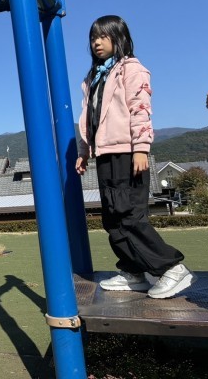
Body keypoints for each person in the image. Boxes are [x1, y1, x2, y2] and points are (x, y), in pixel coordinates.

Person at [75, 15, 195, 299]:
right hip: (105, 153)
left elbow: (140, 108)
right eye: (93, 38)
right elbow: (88, 118)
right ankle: (133, 272)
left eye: (103, 36)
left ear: (119, 38)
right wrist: (84, 151)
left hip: (127, 151)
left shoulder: (131, 69)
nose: (96, 42)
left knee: (129, 215)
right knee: (112, 218)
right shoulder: (94, 77)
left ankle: (171, 268)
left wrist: (141, 147)